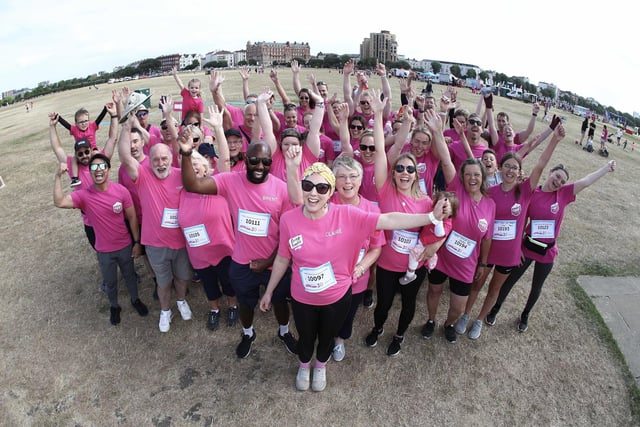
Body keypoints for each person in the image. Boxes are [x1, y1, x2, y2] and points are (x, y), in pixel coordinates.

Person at [259, 154, 447, 391]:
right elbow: (282, 258)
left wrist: (430, 217)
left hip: (337, 297)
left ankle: (320, 366)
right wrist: (269, 291)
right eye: (308, 186)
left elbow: (388, 219)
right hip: (303, 297)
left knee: (327, 337)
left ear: (330, 193)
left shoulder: (346, 215)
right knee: (306, 338)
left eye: (321, 187)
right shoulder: (289, 220)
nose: (313, 193)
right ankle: (304, 365)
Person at [179, 138, 298, 359]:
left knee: (280, 301)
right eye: (254, 161)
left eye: (265, 162)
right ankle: (248, 333)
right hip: (242, 262)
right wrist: (186, 154)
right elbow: (192, 185)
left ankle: (284, 332)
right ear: (245, 160)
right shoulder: (230, 182)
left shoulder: (282, 190)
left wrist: (268, 262)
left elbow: (287, 234)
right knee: (246, 303)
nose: (259, 167)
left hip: (275, 263)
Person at [455, 123, 566, 340]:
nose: (510, 170)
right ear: (500, 168)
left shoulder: (524, 191)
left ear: (519, 172)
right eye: (507, 166)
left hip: (509, 254)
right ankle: (465, 316)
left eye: (515, 168)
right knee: (477, 284)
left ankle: (479, 320)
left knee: (494, 289)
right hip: (489, 251)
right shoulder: (490, 191)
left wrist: (555, 139)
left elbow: (541, 165)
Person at [364, 90, 450, 356]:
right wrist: (378, 115)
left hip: (415, 267)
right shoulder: (385, 190)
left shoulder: (427, 202)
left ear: (416, 175)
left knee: (409, 304)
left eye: (409, 169)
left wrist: (432, 249)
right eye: (399, 168)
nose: (403, 172)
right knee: (383, 304)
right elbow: (380, 152)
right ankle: (378, 328)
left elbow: (442, 228)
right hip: (388, 265)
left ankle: (399, 335)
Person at [487, 160, 617, 332]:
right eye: (557, 177)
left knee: (537, 286)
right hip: (527, 247)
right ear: (550, 173)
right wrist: (517, 248)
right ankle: (495, 308)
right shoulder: (532, 193)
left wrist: (606, 168)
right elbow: (520, 221)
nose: (559, 182)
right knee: (511, 280)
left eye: (563, 181)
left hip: (547, 250)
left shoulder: (563, 194)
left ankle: (525, 314)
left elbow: (586, 181)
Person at [421, 119, 496, 343]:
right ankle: (432, 320)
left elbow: (487, 238)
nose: (472, 178)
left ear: (483, 178)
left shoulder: (490, 205)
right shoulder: (456, 188)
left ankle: (449, 323)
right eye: (468, 174)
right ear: (462, 176)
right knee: (434, 291)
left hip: (466, 264)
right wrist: (436, 131)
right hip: (442, 255)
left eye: (477, 175)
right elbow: (445, 159)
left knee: (458, 305)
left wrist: (483, 263)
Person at [118, 116, 194, 333]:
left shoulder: (182, 176)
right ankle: (165, 310)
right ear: (148, 162)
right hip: (155, 244)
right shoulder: (142, 176)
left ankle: (181, 301)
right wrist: (125, 125)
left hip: (181, 242)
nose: (160, 164)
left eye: (164, 158)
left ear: (171, 158)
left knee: (182, 278)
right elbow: (124, 156)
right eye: (156, 160)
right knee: (162, 282)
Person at [53, 154, 148, 325]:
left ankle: (135, 300)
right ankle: (114, 306)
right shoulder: (84, 196)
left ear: (108, 170)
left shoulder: (121, 191)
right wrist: (58, 176)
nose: (98, 170)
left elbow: (132, 217)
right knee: (110, 282)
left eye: (102, 166)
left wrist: (137, 242)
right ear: (89, 172)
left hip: (125, 246)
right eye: (94, 167)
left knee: (130, 277)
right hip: (104, 251)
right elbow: (59, 202)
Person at [178, 150, 238, 330]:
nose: (193, 166)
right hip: (199, 252)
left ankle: (232, 305)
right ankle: (214, 309)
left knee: (227, 280)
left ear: (206, 168)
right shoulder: (182, 193)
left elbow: (225, 160)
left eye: (196, 162)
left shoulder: (219, 186)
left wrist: (219, 128)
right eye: (189, 163)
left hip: (222, 249)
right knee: (209, 283)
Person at [399, 191, 458, 285]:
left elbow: (439, 234)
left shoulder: (447, 222)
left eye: (447, 207)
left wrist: (439, 218)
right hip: (422, 239)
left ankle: (410, 274)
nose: (442, 209)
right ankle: (429, 264)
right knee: (422, 256)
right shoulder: (431, 211)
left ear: (452, 211)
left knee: (414, 255)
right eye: (440, 204)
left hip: (425, 244)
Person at [56, 104, 109, 186]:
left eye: (86, 121)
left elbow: (99, 118)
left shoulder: (92, 126)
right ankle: (75, 178)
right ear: (76, 123)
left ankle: (102, 169)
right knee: (74, 158)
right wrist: (58, 118)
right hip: (80, 150)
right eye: (81, 122)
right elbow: (66, 125)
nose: (84, 124)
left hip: (92, 149)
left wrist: (105, 109)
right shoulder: (74, 130)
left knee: (97, 154)